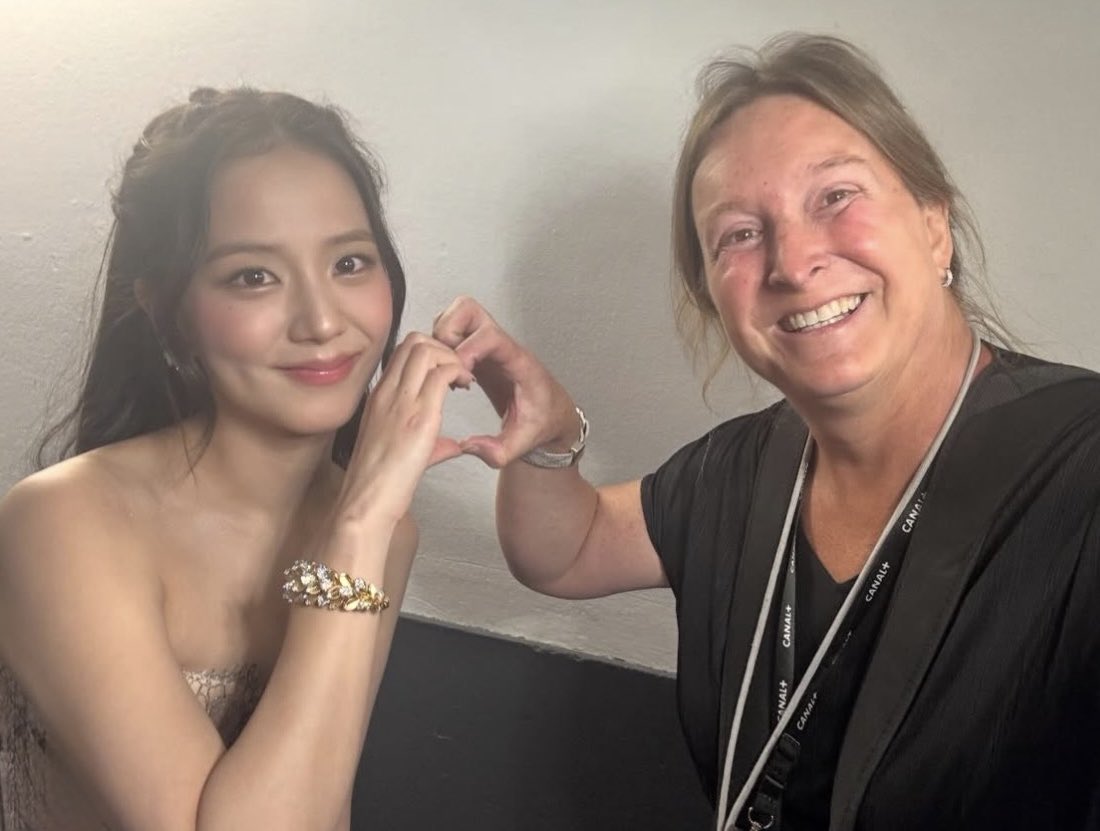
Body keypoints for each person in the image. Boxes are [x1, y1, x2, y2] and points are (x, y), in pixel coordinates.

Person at [432, 33, 1100, 831]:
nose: (793, 260)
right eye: (740, 234)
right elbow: (565, 549)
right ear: (716, 295)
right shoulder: (747, 469)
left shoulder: (1077, 465)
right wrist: (544, 431)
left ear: (933, 224)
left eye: (835, 196)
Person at [0, 87, 470, 830]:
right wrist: (356, 530)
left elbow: (320, 807)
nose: (322, 320)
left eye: (350, 261)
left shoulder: (382, 528)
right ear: (167, 314)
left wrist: (547, 451)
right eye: (254, 276)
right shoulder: (62, 520)